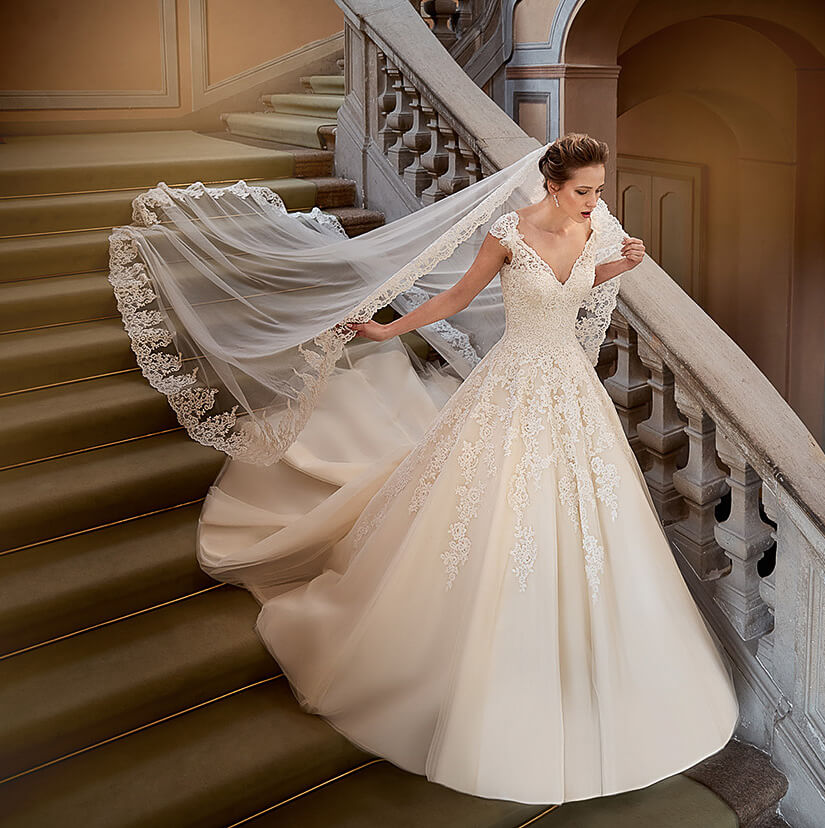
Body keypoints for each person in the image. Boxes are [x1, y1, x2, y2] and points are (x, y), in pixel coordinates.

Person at [111, 133, 740, 804]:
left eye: (599, 187)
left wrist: (619, 266)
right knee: (492, 513)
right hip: (512, 385)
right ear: (550, 185)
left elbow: (576, 294)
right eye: (582, 189)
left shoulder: (592, 232)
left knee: (589, 522)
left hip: (570, 393)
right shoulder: (509, 231)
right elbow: (456, 298)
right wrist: (387, 330)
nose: (595, 200)